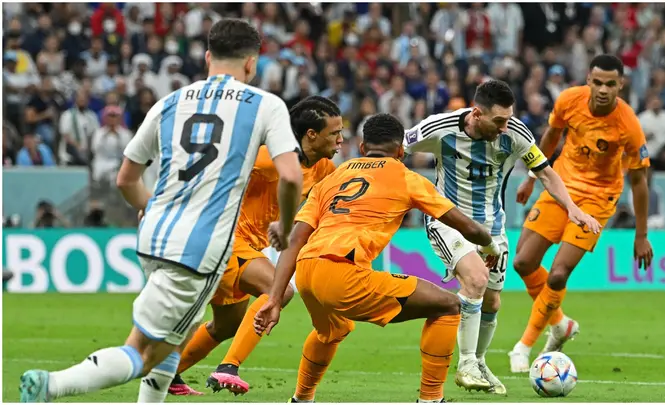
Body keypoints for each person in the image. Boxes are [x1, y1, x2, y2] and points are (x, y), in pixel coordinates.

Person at [19, 19, 304, 403]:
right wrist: (285, 229)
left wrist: (151, 208)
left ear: (207, 57)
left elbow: (125, 179)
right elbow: (290, 176)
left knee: (177, 336)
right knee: (143, 352)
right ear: (251, 64)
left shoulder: (170, 102)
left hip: (153, 234)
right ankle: (51, 386)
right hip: (200, 249)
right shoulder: (265, 105)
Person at [253, 113, 502, 403]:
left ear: (362, 147)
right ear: (400, 151)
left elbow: (295, 239)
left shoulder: (333, 177)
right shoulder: (405, 177)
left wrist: (274, 298)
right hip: (342, 271)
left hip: (308, 271)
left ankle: (301, 399)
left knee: (333, 330)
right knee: (447, 305)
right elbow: (467, 227)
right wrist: (491, 247)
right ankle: (431, 399)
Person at [403, 80, 600, 394]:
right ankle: (466, 362)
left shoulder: (516, 134)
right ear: (477, 114)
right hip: (449, 221)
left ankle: (479, 362)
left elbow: (546, 173)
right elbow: (397, 149)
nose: (505, 127)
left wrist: (572, 208)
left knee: (492, 300)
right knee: (475, 280)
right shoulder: (440, 128)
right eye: (499, 121)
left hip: (492, 227)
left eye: (509, 119)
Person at [169, 96, 343, 396]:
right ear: (311, 135)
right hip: (221, 239)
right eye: (334, 133)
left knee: (226, 326)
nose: (341, 140)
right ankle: (228, 367)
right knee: (279, 291)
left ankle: (167, 375)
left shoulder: (324, 167)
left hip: (247, 246)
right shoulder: (268, 158)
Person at [508, 54, 654, 373]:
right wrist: (532, 177)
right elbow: (551, 137)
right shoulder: (568, 100)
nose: (603, 90)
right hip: (560, 186)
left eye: (610, 84)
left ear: (621, 85)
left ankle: (524, 345)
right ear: (588, 80)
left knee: (559, 273)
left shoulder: (628, 125)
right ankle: (560, 325)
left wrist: (641, 234)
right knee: (522, 262)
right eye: (597, 82)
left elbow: (640, 182)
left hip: (598, 200)